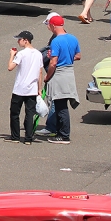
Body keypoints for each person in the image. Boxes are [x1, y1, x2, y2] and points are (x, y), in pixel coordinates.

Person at [37, 14, 80, 144]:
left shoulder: (56, 41)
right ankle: (60, 131)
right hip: (69, 72)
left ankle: (63, 135)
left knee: (61, 106)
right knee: (62, 104)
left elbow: (53, 63)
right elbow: (78, 56)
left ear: (53, 25)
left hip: (59, 74)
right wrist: (66, 57)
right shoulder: (73, 38)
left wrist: (47, 76)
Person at [7, 30, 42, 144]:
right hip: (32, 89)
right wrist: (39, 88)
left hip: (19, 89)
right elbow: (40, 72)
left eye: (19, 39)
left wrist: (12, 55)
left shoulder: (21, 54)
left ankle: (15, 136)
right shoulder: (38, 54)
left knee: (14, 113)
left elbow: (10, 67)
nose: (18, 41)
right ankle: (28, 138)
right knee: (29, 114)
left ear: (26, 41)